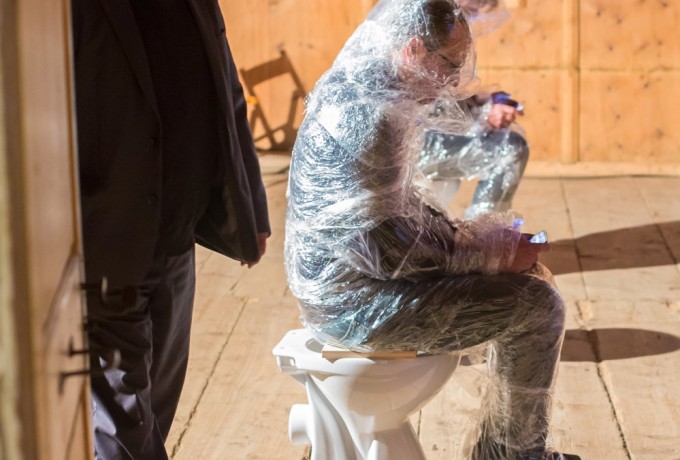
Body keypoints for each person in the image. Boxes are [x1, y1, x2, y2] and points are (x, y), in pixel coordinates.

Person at [285, 0, 579, 458]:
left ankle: (507, 451)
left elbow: (396, 220)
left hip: (351, 287)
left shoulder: (369, 92)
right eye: (450, 66)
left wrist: (477, 243)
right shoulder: (370, 117)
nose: (453, 83)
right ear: (413, 50)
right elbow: (385, 251)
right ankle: (513, 455)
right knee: (535, 306)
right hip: (356, 304)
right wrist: (491, 254)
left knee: (530, 287)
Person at [71, 1, 270, 458]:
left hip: (178, 234)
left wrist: (250, 205)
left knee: (154, 413)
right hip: (103, 239)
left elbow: (224, 82)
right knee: (122, 431)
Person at [417, 0, 530, 219]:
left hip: (410, 136)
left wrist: (486, 103)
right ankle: (485, 234)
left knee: (508, 140)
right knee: (510, 148)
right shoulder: (427, 22)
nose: (476, 14)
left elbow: (445, 93)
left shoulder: (429, 15)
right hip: (403, 146)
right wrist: (485, 114)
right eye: (475, 8)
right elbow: (424, 106)